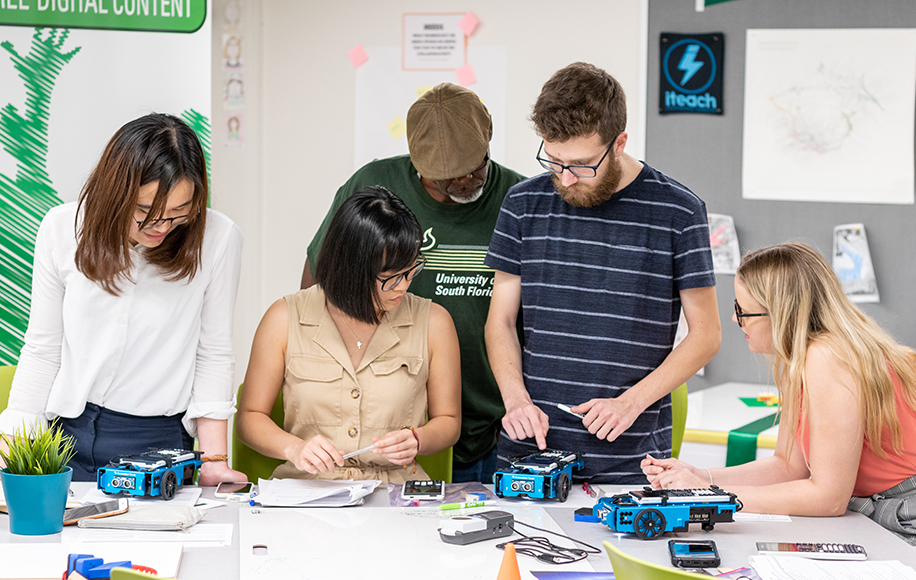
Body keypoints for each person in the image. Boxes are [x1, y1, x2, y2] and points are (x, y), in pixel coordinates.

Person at [484, 62, 721, 484]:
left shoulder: (679, 211)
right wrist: (515, 399)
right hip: (530, 455)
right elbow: (500, 321)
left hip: (630, 462)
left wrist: (630, 404)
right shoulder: (522, 203)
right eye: (554, 161)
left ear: (619, 142)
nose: (566, 177)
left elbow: (706, 335)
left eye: (580, 164)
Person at [0, 113, 246, 485]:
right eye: (145, 213)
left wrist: (213, 460)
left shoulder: (217, 238)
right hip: (64, 435)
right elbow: (42, 349)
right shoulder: (62, 228)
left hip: (157, 444)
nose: (160, 228)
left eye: (178, 214)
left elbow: (213, 353)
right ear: (115, 192)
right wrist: (12, 449)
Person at [300, 83, 526, 483]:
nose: (462, 184)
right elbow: (319, 282)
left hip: (492, 425)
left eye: (473, 169)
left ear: (488, 135)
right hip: (388, 422)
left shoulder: (520, 199)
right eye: (444, 180)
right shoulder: (374, 188)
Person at [642, 243, 916, 542]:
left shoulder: (826, 357)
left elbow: (829, 498)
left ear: (781, 313)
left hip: (906, 510)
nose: (736, 320)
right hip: (879, 505)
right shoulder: (798, 358)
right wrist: (700, 476)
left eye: (742, 310)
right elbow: (789, 466)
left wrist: (710, 495)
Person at [239, 186, 462, 484]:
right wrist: (295, 448)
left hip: (396, 491)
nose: (403, 287)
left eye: (411, 271)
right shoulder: (284, 318)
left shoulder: (435, 322)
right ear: (351, 269)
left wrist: (418, 439)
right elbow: (249, 417)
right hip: (309, 489)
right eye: (391, 278)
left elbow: (449, 422)